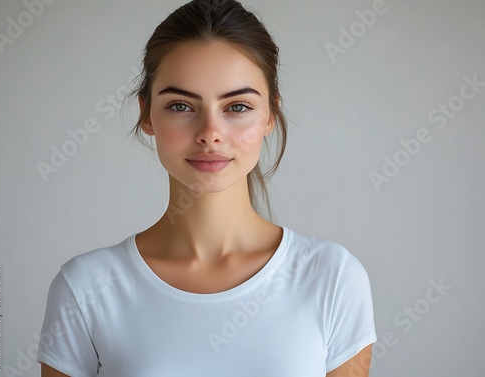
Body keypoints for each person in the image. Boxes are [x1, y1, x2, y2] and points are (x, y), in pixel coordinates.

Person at [37, 0, 377, 376]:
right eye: (181, 106)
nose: (210, 135)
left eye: (237, 107)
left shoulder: (332, 278)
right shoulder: (86, 287)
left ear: (270, 116)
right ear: (146, 114)